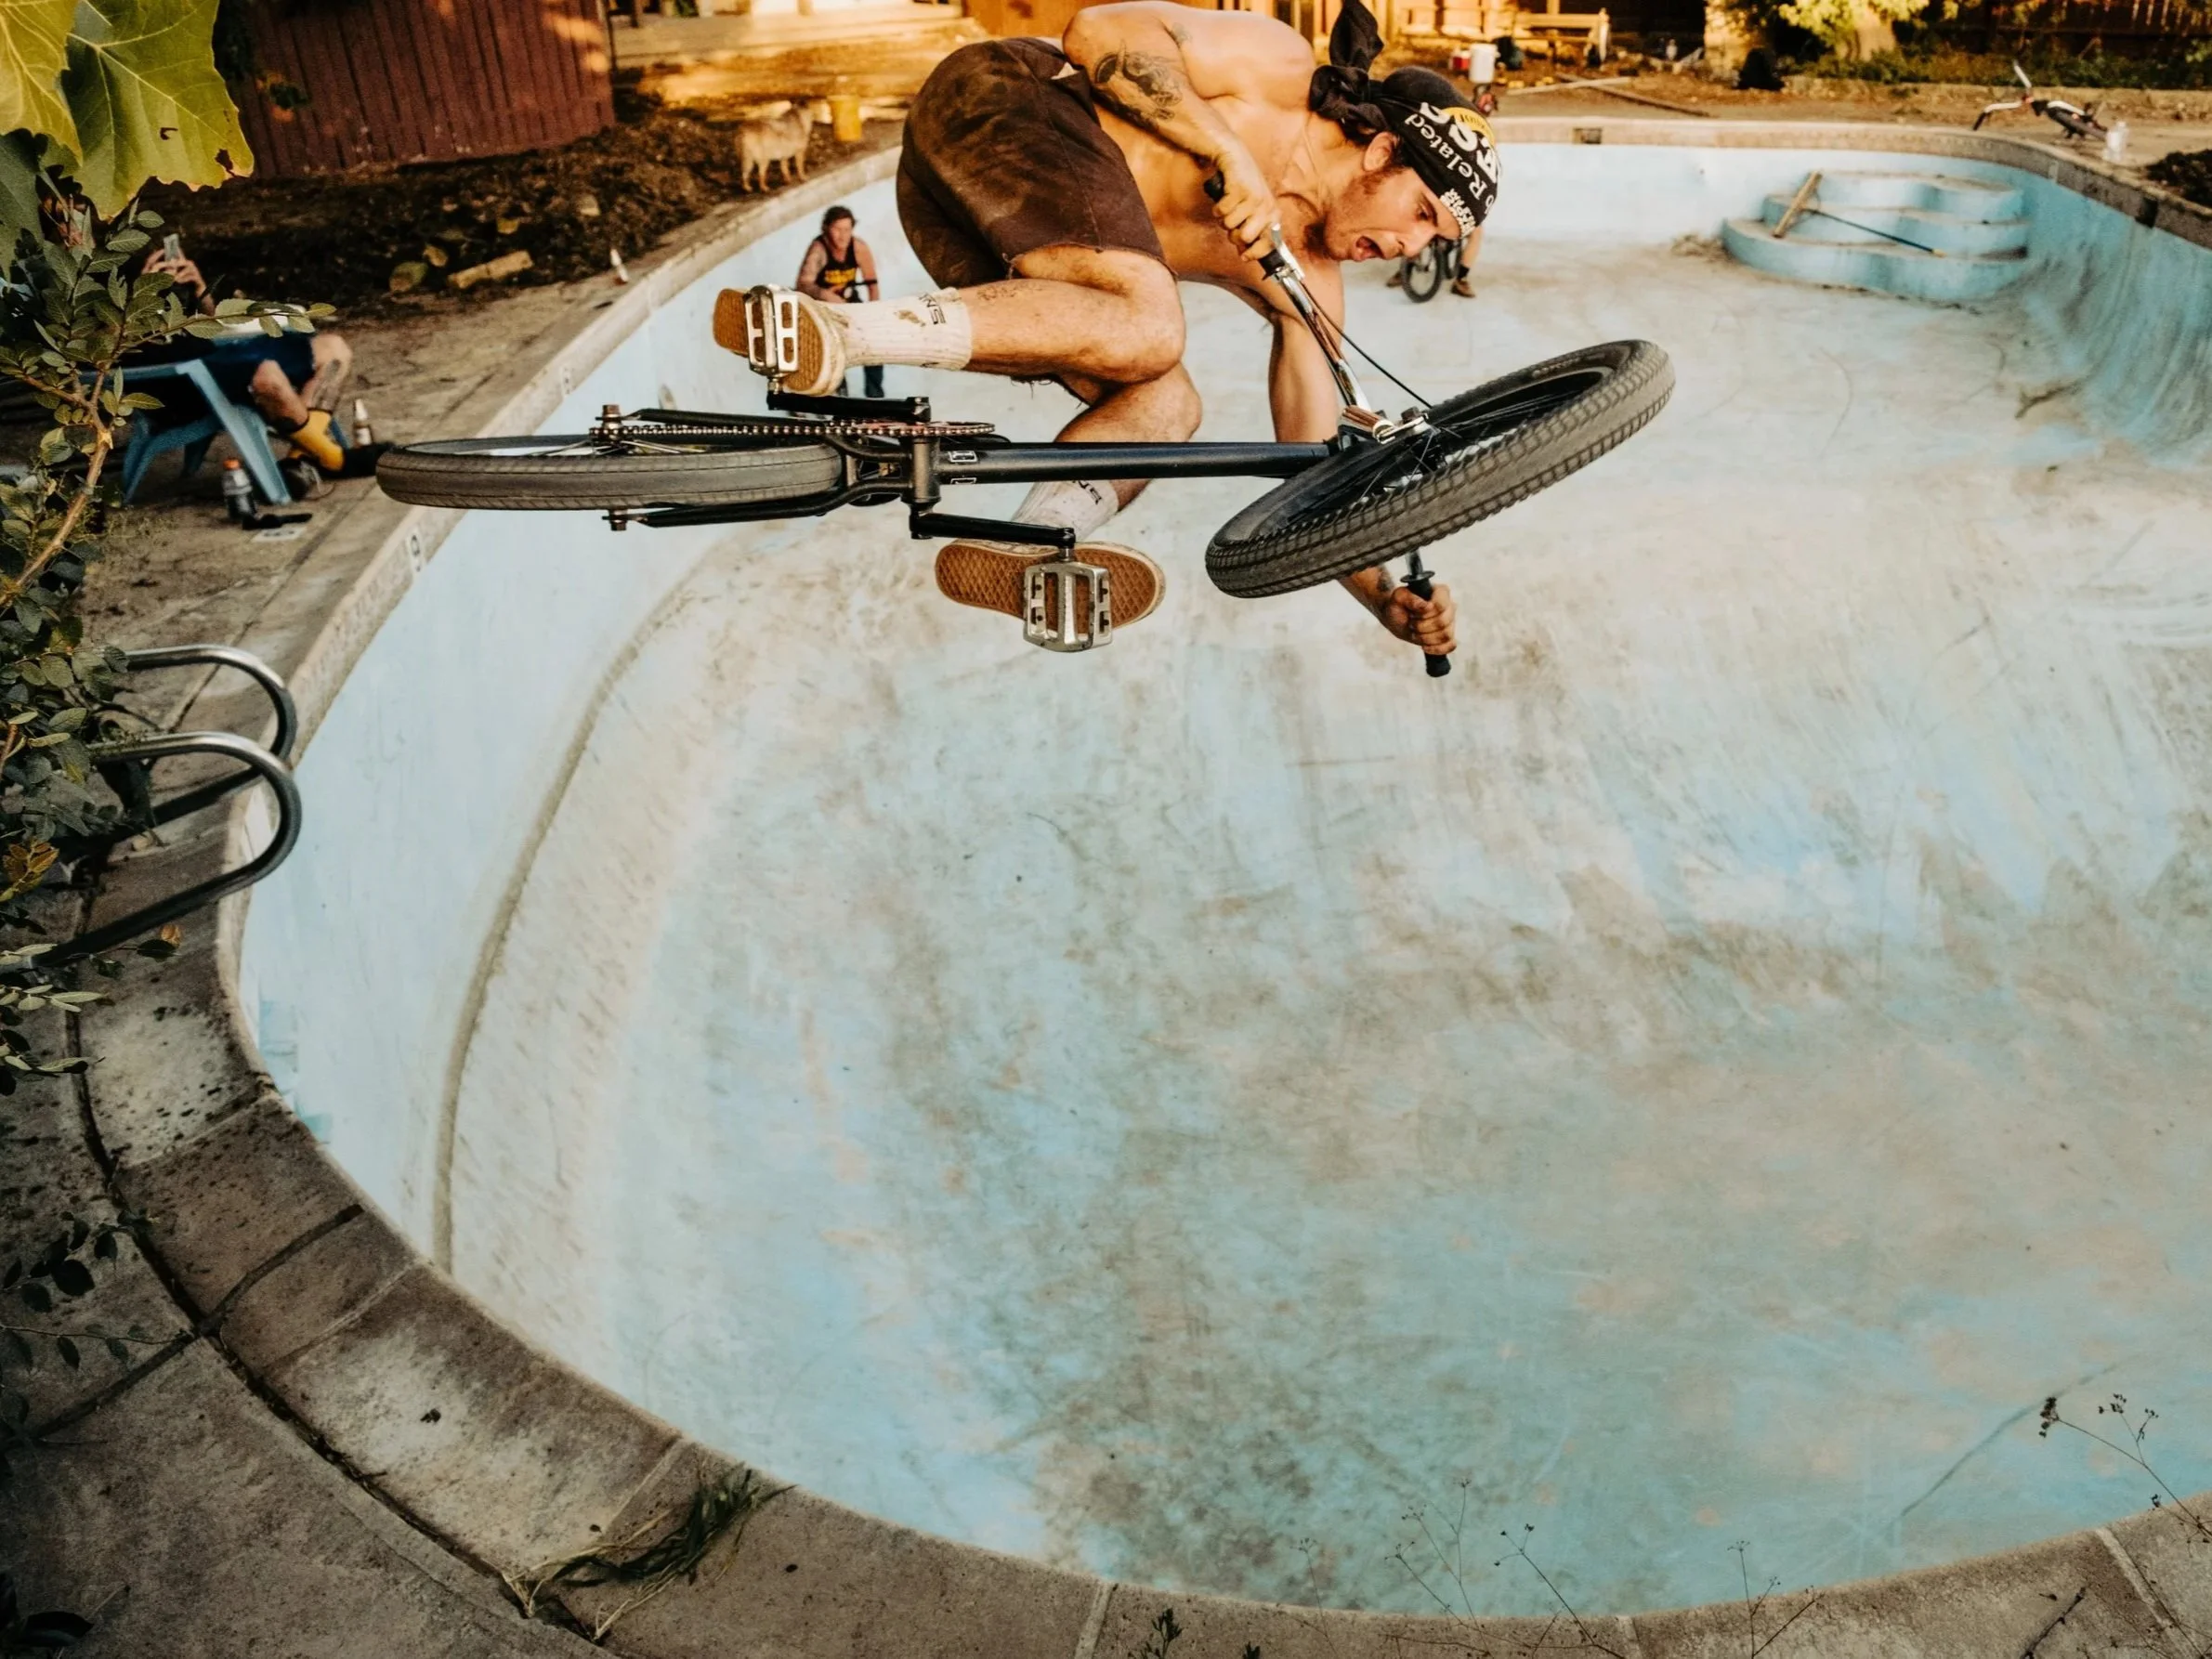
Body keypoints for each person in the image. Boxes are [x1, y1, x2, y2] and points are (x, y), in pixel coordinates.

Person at [715, 0, 1484, 664]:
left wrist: (1380, 595)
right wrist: (1225, 149)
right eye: (1420, 212)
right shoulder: (1276, 72)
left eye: (1435, 241)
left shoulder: (1309, 286)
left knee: (1169, 407)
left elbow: (1312, 471)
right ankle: (833, 329)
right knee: (1152, 323)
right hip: (998, 96)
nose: (1411, 247)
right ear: (1381, 150)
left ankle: (1030, 541)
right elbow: (1096, 32)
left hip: (962, 215)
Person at [136, 242, 378, 478]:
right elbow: (127, 349)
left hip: (216, 357)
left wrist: (199, 288)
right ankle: (337, 461)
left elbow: (213, 325)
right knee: (267, 374)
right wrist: (142, 295)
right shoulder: (119, 293)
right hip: (179, 382)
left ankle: (300, 461)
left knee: (332, 348)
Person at [795, 205, 885, 398]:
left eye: (847, 229)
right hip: (821, 306)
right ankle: (837, 392)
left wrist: (873, 314)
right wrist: (827, 295)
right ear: (826, 229)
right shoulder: (819, 249)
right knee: (832, 349)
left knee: (874, 342)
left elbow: (872, 284)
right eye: (837, 229)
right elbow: (802, 285)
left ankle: (875, 395)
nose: (843, 236)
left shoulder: (858, 247)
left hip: (848, 302)